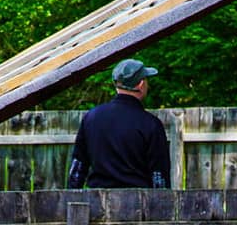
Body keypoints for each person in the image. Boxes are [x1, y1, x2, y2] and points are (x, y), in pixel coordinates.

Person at [67, 57, 172, 190]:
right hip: (138, 205)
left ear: (116, 84)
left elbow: (78, 167)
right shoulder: (151, 124)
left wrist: (70, 200)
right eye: (146, 80)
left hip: (96, 203)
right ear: (140, 84)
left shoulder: (91, 117)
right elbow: (159, 176)